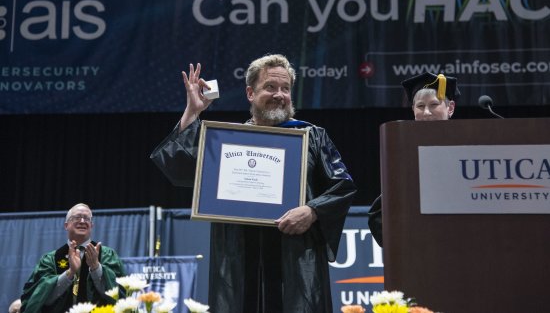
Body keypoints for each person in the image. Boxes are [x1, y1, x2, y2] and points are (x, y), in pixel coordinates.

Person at [151, 54, 357, 313]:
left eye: (285, 89)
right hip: (238, 257)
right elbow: (180, 165)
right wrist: (193, 112)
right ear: (250, 92)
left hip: (294, 258)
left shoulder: (312, 137)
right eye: (270, 87)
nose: (279, 94)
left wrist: (313, 210)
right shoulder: (228, 141)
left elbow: (343, 185)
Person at [367, 72, 460, 247]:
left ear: (451, 107)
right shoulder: (404, 152)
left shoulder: (468, 145)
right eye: (420, 106)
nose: (426, 112)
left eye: (434, 104)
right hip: (420, 248)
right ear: (413, 110)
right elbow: (378, 215)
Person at [20, 203, 126, 312]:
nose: (82, 221)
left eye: (87, 218)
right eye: (77, 217)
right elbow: (37, 298)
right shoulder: (50, 260)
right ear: (66, 225)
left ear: (92, 226)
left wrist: (96, 268)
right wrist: (70, 273)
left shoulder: (106, 255)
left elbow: (120, 295)